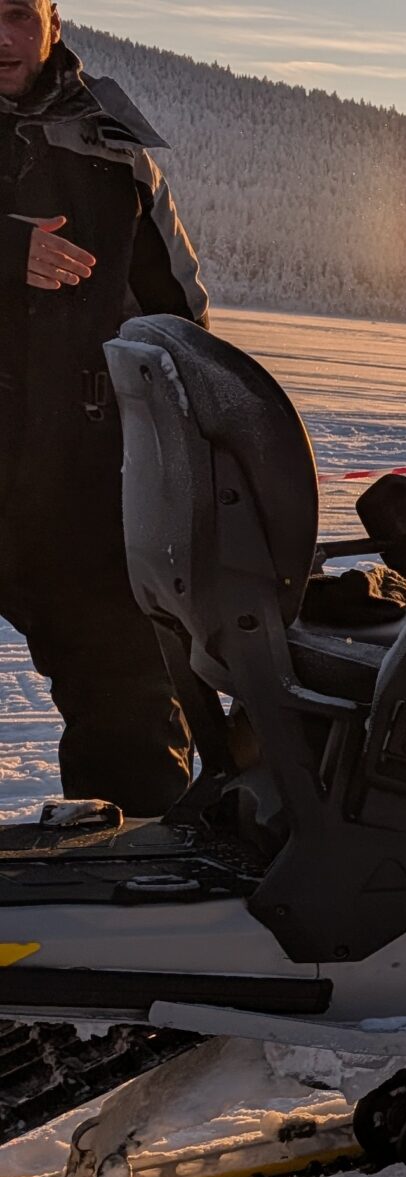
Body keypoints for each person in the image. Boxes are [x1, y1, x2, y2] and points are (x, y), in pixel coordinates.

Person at [1, 0, 204, 815]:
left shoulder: (111, 144)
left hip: (77, 476)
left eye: (16, 13)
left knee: (130, 695)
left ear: (52, 19)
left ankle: (143, 893)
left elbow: (178, 317)